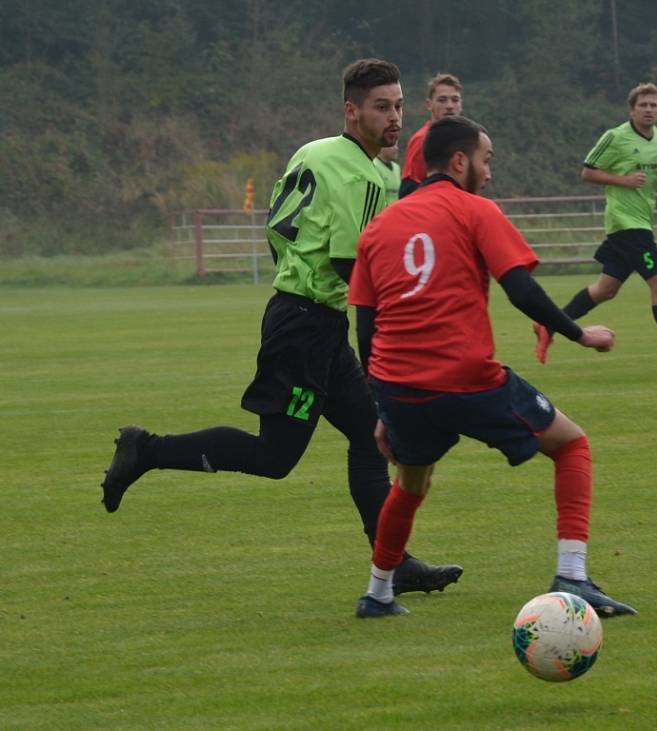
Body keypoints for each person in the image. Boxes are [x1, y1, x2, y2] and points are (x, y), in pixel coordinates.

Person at [100, 58, 463, 597]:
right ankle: (146, 449)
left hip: (308, 317)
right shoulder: (364, 172)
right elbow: (350, 267)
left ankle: (394, 563)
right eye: (381, 107)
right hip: (305, 331)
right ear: (352, 109)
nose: (394, 117)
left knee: (370, 436)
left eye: (399, 105)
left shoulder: (314, 151)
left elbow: (282, 226)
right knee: (275, 459)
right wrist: (404, 324)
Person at [348, 115, 637, 618]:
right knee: (572, 445)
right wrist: (579, 332)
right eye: (486, 159)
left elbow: (367, 332)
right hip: (465, 377)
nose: (489, 171)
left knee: (411, 483)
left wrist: (382, 409)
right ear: (459, 162)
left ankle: (378, 593)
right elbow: (520, 288)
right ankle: (573, 575)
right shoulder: (475, 210)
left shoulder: (378, 228)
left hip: (399, 386)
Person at [534, 82, 657, 373]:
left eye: (653, 105)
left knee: (606, 290)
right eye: (643, 105)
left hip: (643, 221)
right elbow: (587, 172)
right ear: (632, 109)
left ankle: (549, 325)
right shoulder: (615, 137)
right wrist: (624, 181)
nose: (649, 110)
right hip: (625, 223)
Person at [398, 73, 463, 198]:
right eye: (442, 100)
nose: (449, 106)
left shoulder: (465, 139)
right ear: (429, 104)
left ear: (461, 104)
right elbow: (408, 190)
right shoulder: (422, 139)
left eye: (455, 100)